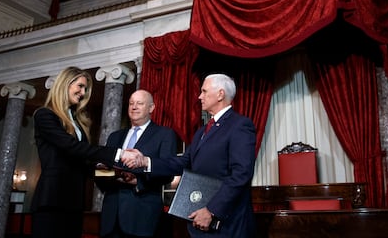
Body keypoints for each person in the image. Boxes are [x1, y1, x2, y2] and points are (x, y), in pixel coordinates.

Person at [125, 74, 257, 238]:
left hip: (227, 223)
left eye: (204, 91)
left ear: (220, 94)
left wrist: (212, 210)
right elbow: (183, 161)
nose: (199, 96)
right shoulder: (203, 131)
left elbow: (241, 174)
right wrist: (146, 161)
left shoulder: (240, 125)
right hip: (200, 222)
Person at [31, 66, 134, 238]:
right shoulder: (44, 115)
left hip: (74, 203)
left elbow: (85, 166)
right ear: (65, 84)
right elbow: (72, 147)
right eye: (80, 86)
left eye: (85, 89)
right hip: (51, 201)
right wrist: (119, 154)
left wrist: (117, 175)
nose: (83, 92)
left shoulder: (78, 122)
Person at [98, 89, 177, 238]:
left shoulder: (165, 134)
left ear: (151, 108)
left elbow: (167, 171)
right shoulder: (114, 136)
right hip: (111, 217)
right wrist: (109, 175)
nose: (134, 107)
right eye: (131, 103)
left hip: (142, 215)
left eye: (139, 103)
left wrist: (137, 181)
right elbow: (102, 172)